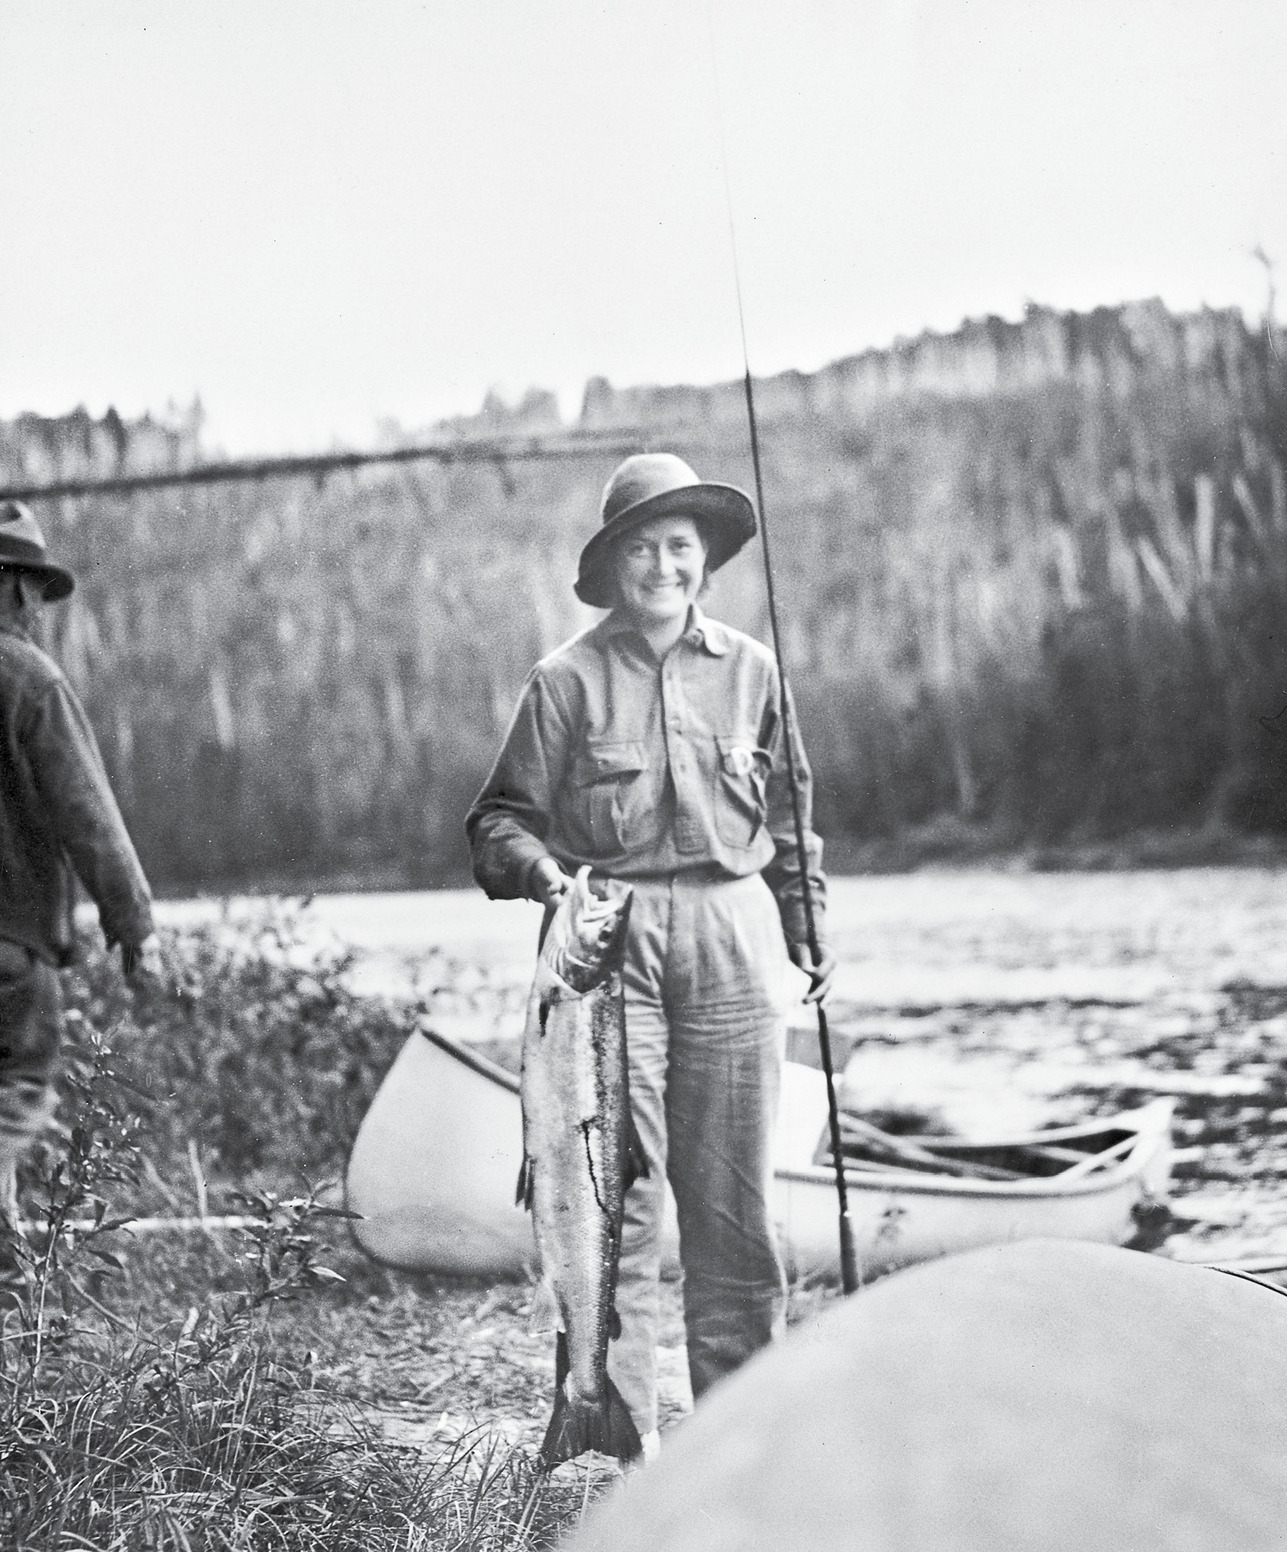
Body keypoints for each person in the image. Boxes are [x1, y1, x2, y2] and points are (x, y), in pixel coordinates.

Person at [466, 452, 835, 1455]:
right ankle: (615, 1437)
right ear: (613, 565)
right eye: (643, 547)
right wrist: (547, 879)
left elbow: (792, 812)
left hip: (734, 938)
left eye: (681, 546)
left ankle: (740, 1446)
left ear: (705, 559)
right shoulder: (565, 680)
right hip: (602, 955)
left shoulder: (756, 669)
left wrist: (807, 926)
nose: (664, 565)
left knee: (736, 1213)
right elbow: (497, 823)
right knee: (608, 1198)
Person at [0, 501, 158, 1228]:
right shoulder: (30, 680)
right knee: (16, 1088)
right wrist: (134, 928)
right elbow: (88, 819)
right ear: (12, 587)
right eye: (33, 589)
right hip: (11, 943)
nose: (39, 607)